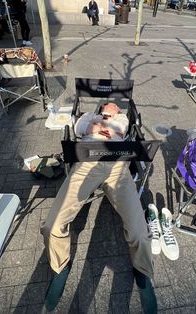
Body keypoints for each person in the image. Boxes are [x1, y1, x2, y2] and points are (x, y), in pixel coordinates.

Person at [41, 103, 157, 314]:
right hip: (86, 164)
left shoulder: (121, 119)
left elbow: (118, 130)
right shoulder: (88, 115)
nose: (113, 105)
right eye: (109, 104)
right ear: (102, 107)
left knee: (140, 232)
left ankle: (142, 271)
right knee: (52, 226)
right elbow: (79, 128)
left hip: (117, 167)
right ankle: (60, 267)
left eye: (115, 105)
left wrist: (99, 125)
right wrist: (96, 124)